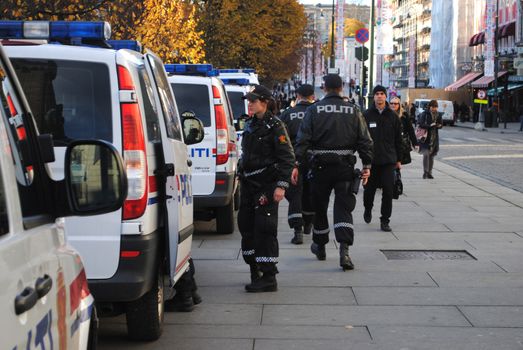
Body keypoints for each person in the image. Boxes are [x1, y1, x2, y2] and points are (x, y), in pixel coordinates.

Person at [295, 74, 373, 271]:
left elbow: (303, 140)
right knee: (343, 208)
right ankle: (344, 251)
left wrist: (297, 164)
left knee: (320, 207)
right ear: (341, 88)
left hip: (319, 168)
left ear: (324, 87)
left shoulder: (314, 110)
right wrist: (367, 165)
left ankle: (320, 245)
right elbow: (365, 140)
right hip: (344, 167)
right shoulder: (353, 110)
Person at [237, 84, 295, 292]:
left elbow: (287, 157)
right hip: (248, 183)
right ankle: (255, 270)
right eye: (249, 101)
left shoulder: (276, 126)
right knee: (246, 226)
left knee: (264, 228)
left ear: (265, 102)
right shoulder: (250, 124)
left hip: (266, 184)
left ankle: (269, 276)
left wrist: (281, 186)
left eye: (253, 101)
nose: (250, 104)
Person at [362, 86, 403, 232]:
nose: (379, 96)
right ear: (373, 97)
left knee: (388, 190)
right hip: (371, 161)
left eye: (382, 94)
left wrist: (399, 160)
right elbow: (361, 138)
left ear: (386, 97)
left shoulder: (393, 116)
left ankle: (385, 220)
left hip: (389, 160)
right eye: (377, 94)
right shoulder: (366, 115)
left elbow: (399, 139)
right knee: (369, 190)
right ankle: (368, 208)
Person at [279, 84, 316, 245]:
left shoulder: (287, 114)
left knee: (295, 194)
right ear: (312, 96)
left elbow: (279, 138)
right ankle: (308, 222)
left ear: (297, 96)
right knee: (310, 193)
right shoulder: (317, 112)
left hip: (293, 160)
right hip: (314, 160)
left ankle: (297, 230)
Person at [417, 99, 442, 179]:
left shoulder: (438, 114)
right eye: (433, 107)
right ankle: (425, 172)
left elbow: (441, 124)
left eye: (435, 107)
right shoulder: (425, 114)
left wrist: (439, 125)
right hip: (425, 137)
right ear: (429, 107)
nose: (434, 109)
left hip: (434, 138)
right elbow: (420, 124)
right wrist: (429, 126)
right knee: (426, 155)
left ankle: (430, 173)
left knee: (431, 156)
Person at [390, 96, 418, 165]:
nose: (393, 105)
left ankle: (396, 173)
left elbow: (410, 130)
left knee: (398, 162)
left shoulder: (404, 115)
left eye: (395, 103)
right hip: (389, 144)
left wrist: (415, 143)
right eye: (391, 103)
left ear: (399, 105)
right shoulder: (386, 114)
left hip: (401, 143)